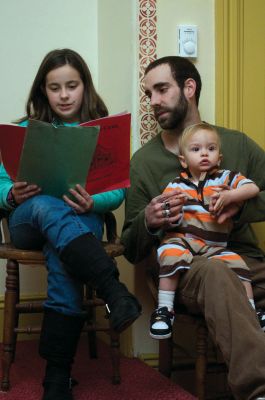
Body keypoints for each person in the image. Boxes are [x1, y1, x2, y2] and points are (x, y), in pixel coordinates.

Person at [0, 48, 141, 400]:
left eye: (72, 85)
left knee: (61, 252)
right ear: (42, 91)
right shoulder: (22, 129)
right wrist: (12, 195)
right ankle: (113, 291)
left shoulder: (102, 129)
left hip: (78, 224)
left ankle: (57, 377)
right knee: (47, 205)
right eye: (55, 87)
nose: (64, 95)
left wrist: (94, 201)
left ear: (85, 87)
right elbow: (0, 184)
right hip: (27, 222)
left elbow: (117, 190)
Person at [121, 56, 265, 400]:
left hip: (244, 260)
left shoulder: (237, 144)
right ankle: (258, 389)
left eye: (162, 89)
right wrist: (148, 221)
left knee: (228, 270)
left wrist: (240, 204)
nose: (153, 101)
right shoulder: (144, 162)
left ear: (189, 88)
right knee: (217, 274)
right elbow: (129, 246)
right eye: (148, 94)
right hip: (186, 269)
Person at [150, 122, 261, 339]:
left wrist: (231, 196)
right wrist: (170, 212)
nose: (204, 154)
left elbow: (253, 188)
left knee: (240, 267)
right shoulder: (176, 185)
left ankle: (251, 312)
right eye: (196, 149)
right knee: (170, 252)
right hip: (184, 239)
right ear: (183, 160)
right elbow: (165, 209)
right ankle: (164, 310)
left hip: (215, 246)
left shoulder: (226, 178)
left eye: (211, 149)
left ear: (219, 158)